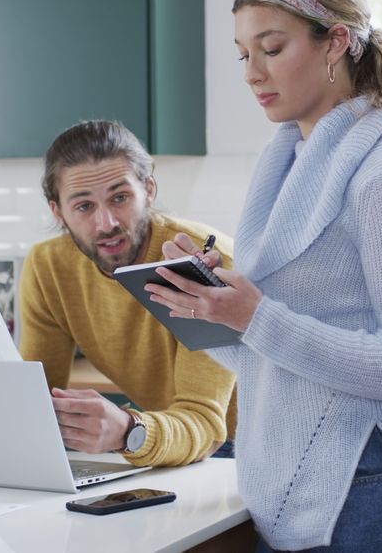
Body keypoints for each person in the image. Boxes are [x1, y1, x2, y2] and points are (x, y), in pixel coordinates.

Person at [147, 0, 382, 550]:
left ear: (334, 43)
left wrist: (255, 315)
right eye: (244, 54)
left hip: (376, 498)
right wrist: (206, 301)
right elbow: (267, 358)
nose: (252, 73)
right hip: (299, 495)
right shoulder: (287, 172)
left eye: (271, 48)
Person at [19, 120, 236, 468]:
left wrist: (128, 430)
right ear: (57, 211)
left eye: (120, 198)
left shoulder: (203, 260)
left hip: (248, 447)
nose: (106, 223)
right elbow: (35, 400)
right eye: (84, 206)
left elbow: (207, 425)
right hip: (170, 442)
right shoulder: (49, 268)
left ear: (148, 190)